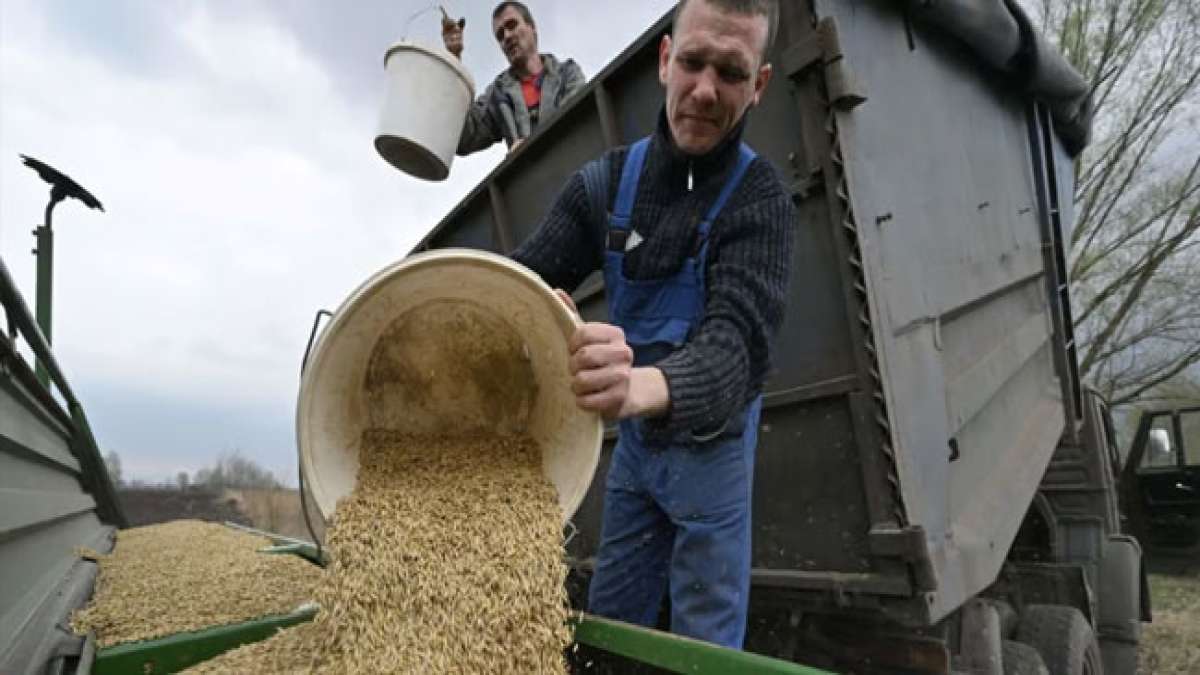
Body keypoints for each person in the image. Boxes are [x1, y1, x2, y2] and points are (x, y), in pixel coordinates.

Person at [511, 0, 792, 649]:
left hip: (715, 467)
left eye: (731, 72)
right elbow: (512, 284)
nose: (704, 89)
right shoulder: (605, 187)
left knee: (703, 654)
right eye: (693, 62)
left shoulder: (761, 202)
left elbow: (736, 350)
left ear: (759, 85)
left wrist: (636, 387)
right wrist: (536, 311)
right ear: (666, 61)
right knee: (612, 632)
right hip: (636, 463)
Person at [448, 2, 587, 155]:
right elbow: (464, 139)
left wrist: (529, 145)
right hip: (531, 177)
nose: (507, 36)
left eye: (512, 25)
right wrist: (453, 59)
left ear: (532, 28)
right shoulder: (498, 93)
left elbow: (578, 121)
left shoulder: (567, 74)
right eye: (500, 35)